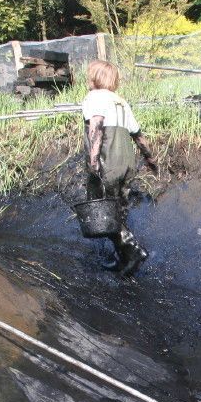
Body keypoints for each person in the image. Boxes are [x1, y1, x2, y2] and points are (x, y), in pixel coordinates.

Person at [82, 59, 159, 275]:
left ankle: (134, 251)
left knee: (103, 209)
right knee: (119, 209)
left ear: (94, 78)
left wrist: (94, 161)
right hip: (127, 162)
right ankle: (123, 258)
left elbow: (96, 126)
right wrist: (150, 159)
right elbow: (138, 136)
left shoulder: (94, 97)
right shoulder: (121, 102)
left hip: (108, 159)